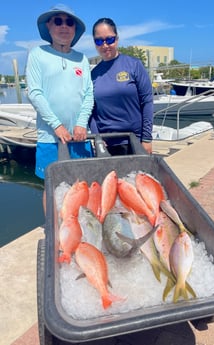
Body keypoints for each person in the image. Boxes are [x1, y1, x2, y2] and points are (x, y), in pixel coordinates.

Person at [26, 4, 94, 213]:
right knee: (52, 186)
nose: (64, 26)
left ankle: (81, 232)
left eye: (69, 22)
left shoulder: (81, 58)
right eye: (58, 21)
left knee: (82, 185)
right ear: (49, 26)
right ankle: (53, 232)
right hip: (50, 138)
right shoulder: (37, 54)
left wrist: (81, 123)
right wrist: (57, 126)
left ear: (75, 29)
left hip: (80, 137)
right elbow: (35, 93)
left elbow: (88, 95)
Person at [89, 18, 153, 155]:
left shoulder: (134, 65)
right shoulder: (93, 74)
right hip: (106, 144)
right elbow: (90, 111)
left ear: (117, 39)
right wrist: (97, 137)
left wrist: (147, 138)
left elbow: (147, 101)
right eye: (99, 41)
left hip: (135, 141)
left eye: (109, 39)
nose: (105, 45)